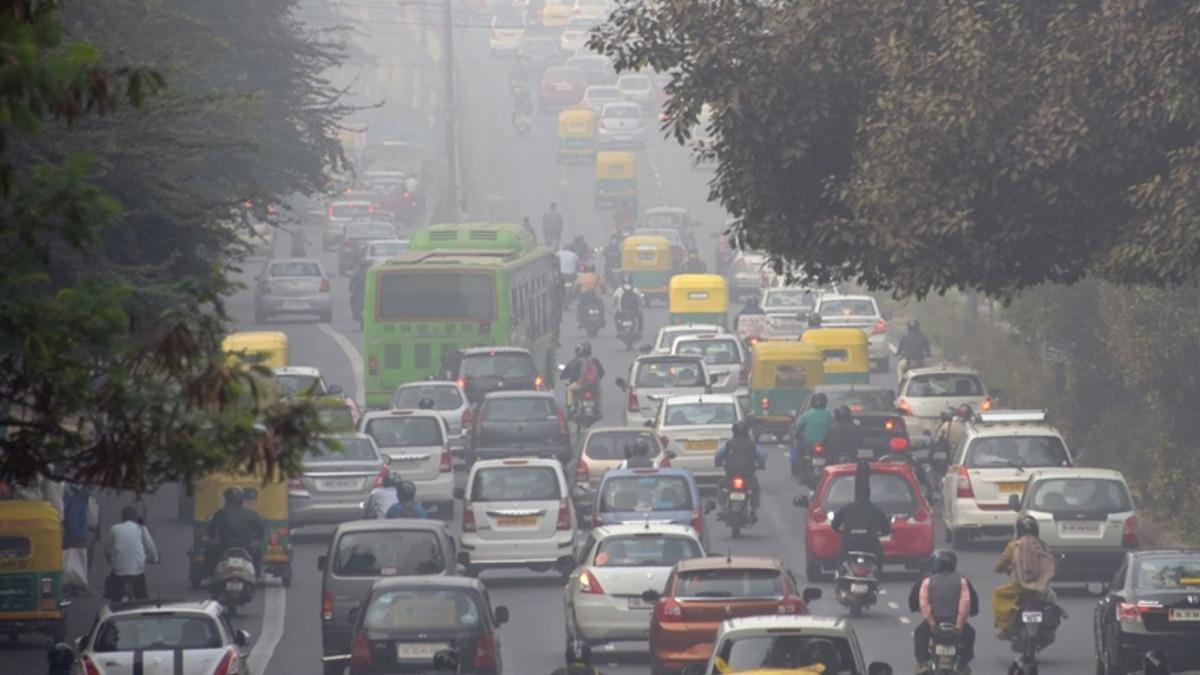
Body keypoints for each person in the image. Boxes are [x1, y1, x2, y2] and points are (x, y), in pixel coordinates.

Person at [912, 550, 977, 675]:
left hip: (935, 623)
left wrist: (932, 623)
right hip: (955, 623)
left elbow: (924, 604)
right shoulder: (961, 581)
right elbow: (965, 604)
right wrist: (959, 625)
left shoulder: (927, 581)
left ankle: (922, 663)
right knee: (970, 633)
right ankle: (963, 664)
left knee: (919, 633)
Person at [992, 514, 1056, 639]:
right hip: (1041, 588)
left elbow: (999, 566)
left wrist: (1004, 568)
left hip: (1019, 587)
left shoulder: (1013, 546)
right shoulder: (1043, 546)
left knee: (997, 594)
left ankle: (1005, 628)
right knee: (1053, 598)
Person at [830, 461, 890, 565]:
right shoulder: (873, 509)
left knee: (840, 555)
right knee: (879, 555)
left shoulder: (847, 508)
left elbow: (835, 525)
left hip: (849, 545)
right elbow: (886, 527)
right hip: (869, 545)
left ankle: (840, 571)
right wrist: (882, 532)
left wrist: (841, 530)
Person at [205, 487, 266, 578]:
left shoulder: (220, 513)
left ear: (226, 499)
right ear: (241, 500)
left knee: (209, 551)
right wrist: (258, 537)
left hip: (224, 546)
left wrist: (212, 535)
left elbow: (211, 529)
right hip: (246, 546)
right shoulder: (250, 513)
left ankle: (210, 574)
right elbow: (261, 528)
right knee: (257, 552)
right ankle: (257, 574)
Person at [103, 505, 159, 602]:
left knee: (114, 597)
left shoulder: (114, 529)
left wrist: (109, 559)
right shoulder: (141, 528)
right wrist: (154, 558)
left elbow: (107, 548)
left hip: (118, 571)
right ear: (135, 518)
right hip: (137, 571)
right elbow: (150, 547)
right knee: (142, 600)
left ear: (122, 517)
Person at [714, 420, 767, 519]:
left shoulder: (728, 444)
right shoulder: (752, 445)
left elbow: (718, 456)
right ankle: (753, 511)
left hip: (731, 476)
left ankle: (722, 508)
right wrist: (761, 465)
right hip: (748, 476)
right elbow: (761, 457)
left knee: (721, 485)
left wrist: (718, 463)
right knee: (756, 489)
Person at [791, 392, 833, 477]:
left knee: (801, 454)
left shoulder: (806, 415)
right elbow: (832, 428)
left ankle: (802, 475)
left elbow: (799, 428)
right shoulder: (829, 415)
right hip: (825, 444)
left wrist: (796, 435)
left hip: (809, 445)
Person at [561, 342, 605, 412]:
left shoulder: (575, 361)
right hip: (594, 385)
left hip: (581, 385)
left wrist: (563, 377)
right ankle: (598, 407)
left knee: (569, 389)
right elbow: (602, 373)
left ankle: (570, 408)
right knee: (599, 390)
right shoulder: (595, 360)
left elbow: (571, 374)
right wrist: (595, 380)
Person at [350, 262, 366, 328]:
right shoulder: (369, 272)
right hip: (369, 292)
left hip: (358, 292)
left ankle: (356, 315)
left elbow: (351, 283)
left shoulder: (356, 273)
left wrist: (350, 288)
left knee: (356, 306)